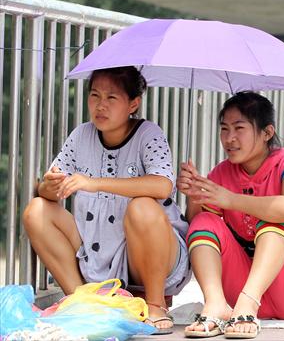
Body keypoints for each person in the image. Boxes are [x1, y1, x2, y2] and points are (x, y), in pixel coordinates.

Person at [22, 66, 190, 333]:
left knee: (143, 206)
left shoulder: (149, 134)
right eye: (95, 96)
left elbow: (162, 185)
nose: (101, 106)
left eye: (111, 98)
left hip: (145, 254)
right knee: (36, 210)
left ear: (133, 103)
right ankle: (84, 302)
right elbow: (49, 189)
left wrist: (94, 182)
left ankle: (156, 305)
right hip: (96, 245)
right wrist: (50, 187)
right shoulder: (81, 135)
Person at [178, 92, 284, 339]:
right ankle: (217, 304)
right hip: (241, 289)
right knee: (204, 221)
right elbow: (197, 226)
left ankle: (249, 303)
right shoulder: (222, 173)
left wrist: (230, 200)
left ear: (267, 133)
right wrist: (193, 194)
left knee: (276, 218)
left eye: (239, 128)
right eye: (224, 129)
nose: (229, 138)